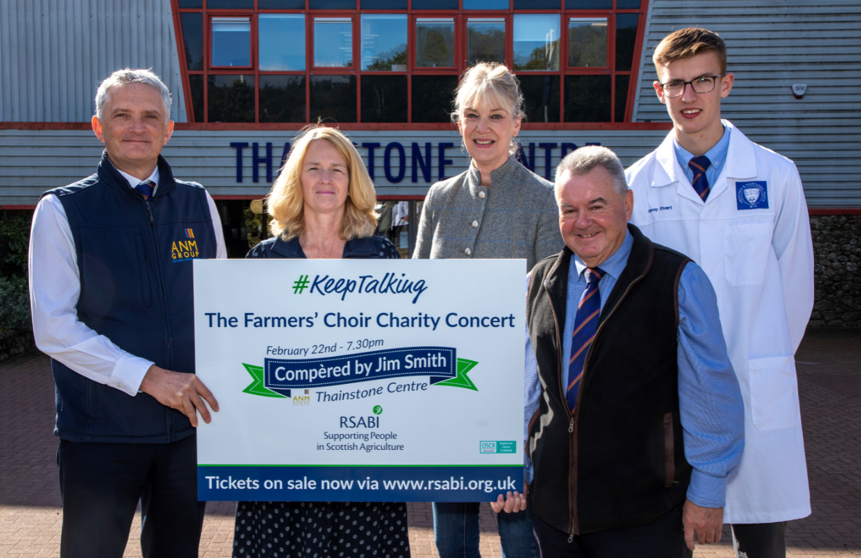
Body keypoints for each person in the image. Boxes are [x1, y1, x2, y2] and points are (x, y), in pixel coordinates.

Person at [625, 28, 815, 558]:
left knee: (762, 542)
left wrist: (765, 359)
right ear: (659, 93)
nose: (689, 96)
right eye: (675, 84)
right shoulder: (637, 187)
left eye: (702, 81)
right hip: (670, 392)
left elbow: (795, 293)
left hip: (756, 390)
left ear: (725, 84)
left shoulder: (776, 177)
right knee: (663, 539)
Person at [28, 68, 227, 558]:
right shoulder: (60, 210)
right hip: (100, 435)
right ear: (98, 126)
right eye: (122, 115)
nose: (137, 127)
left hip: (187, 432)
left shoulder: (198, 203)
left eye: (150, 116)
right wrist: (149, 377)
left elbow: (220, 308)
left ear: (168, 129)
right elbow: (53, 328)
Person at [522, 146, 745, 557]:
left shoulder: (678, 280)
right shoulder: (540, 282)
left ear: (627, 205)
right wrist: (515, 466)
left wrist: (708, 491)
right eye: (568, 209)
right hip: (553, 517)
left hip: (645, 520)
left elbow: (711, 394)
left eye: (596, 206)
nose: (582, 222)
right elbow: (524, 392)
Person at [232, 125, 409, 558]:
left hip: (362, 452)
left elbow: (402, 346)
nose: (326, 178)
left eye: (337, 168)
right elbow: (242, 356)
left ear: (352, 181)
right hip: (283, 454)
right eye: (314, 168)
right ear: (297, 179)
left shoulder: (382, 254)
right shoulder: (265, 258)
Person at [414, 61, 563, 558]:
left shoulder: (545, 200)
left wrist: (527, 425)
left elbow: (550, 318)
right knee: (450, 542)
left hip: (513, 406)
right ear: (458, 122)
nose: (483, 128)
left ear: (517, 123)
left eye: (496, 116)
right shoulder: (438, 199)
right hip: (446, 395)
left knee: (521, 541)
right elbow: (416, 297)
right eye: (472, 115)